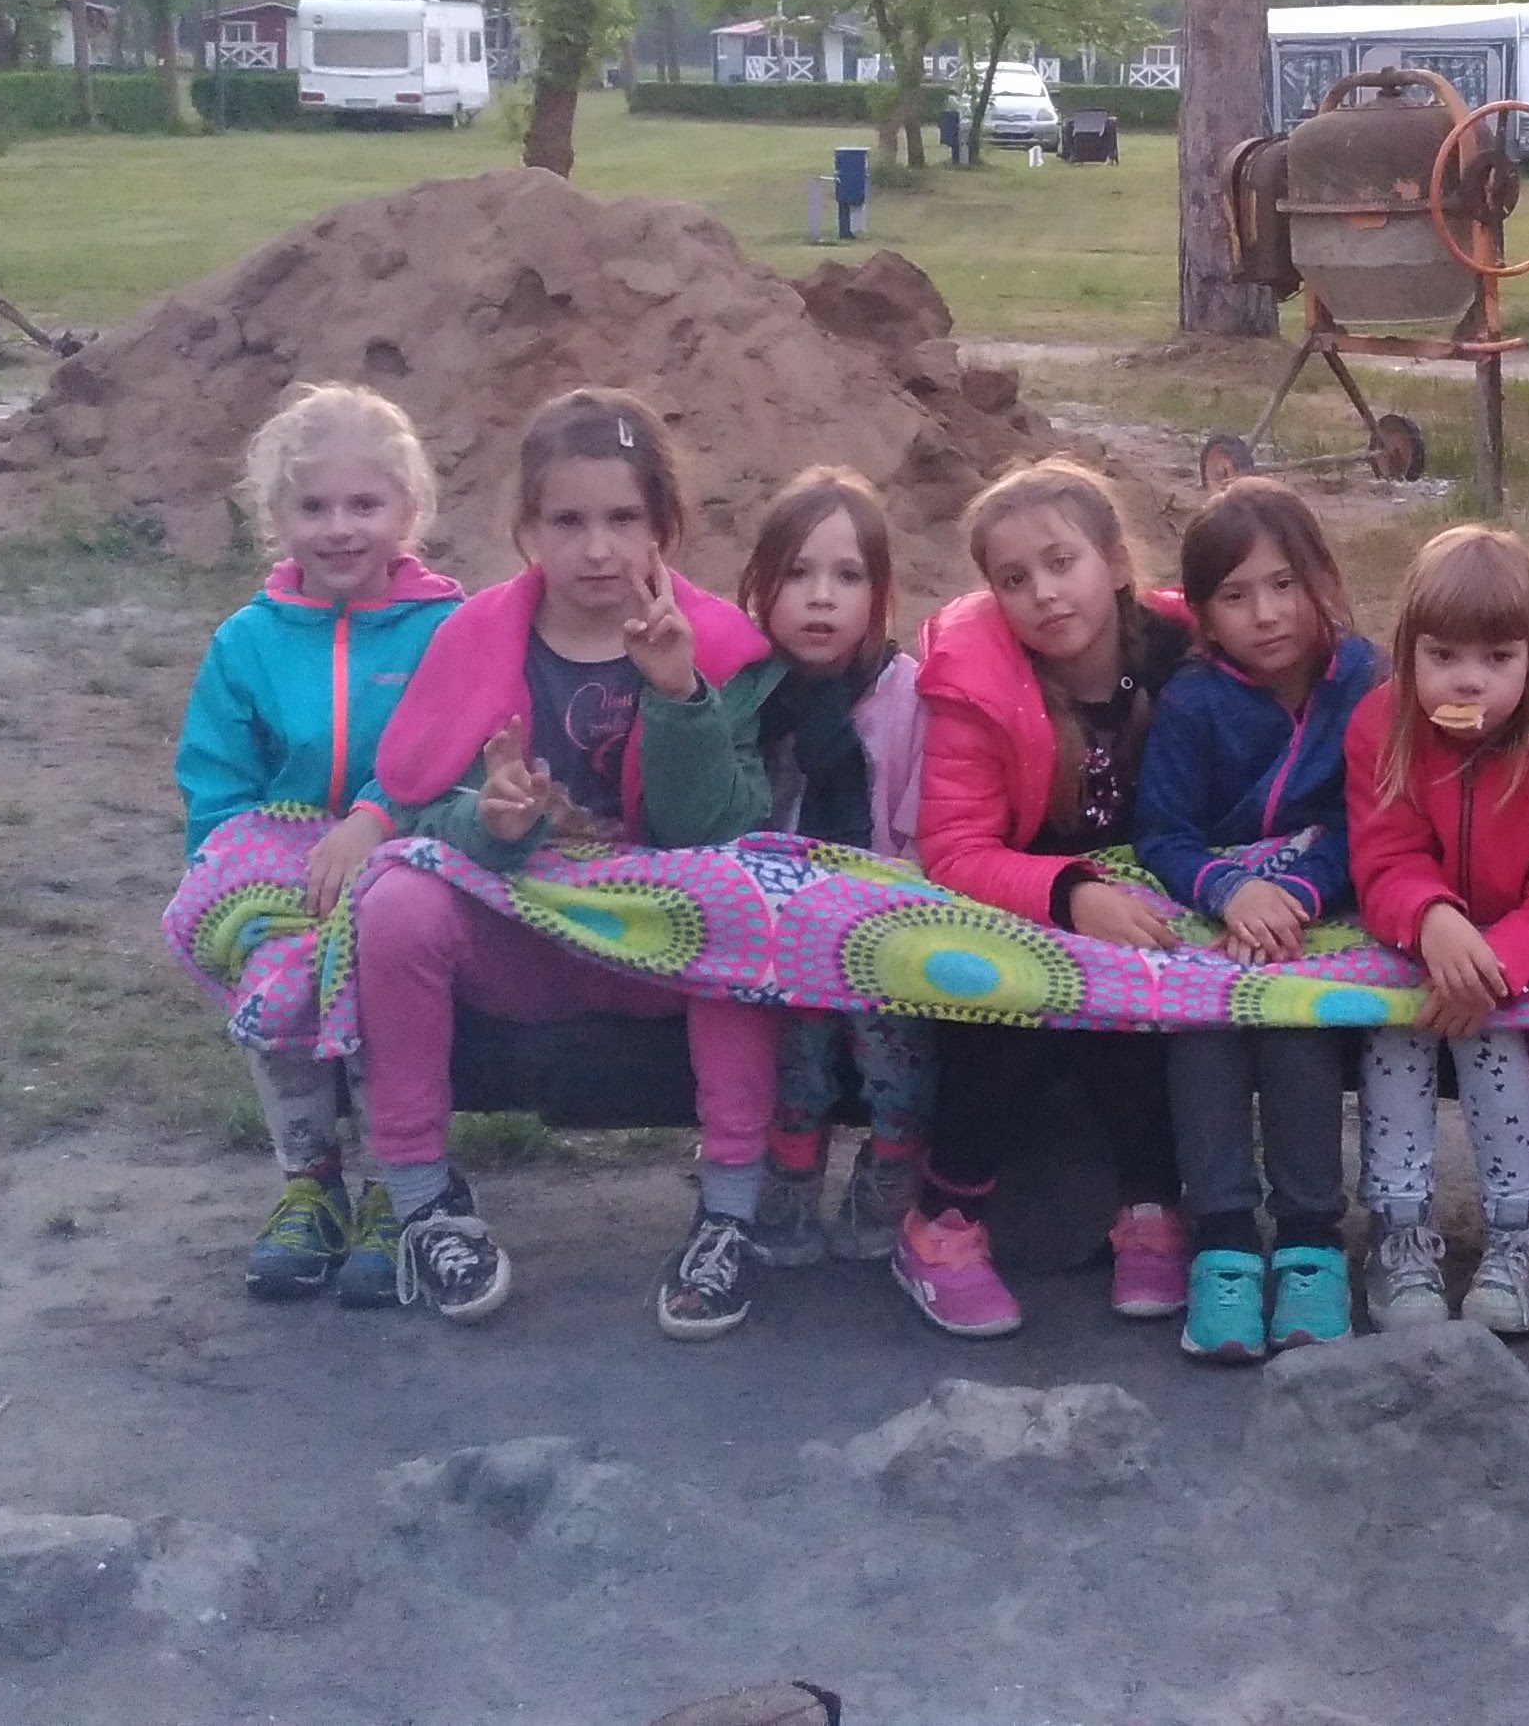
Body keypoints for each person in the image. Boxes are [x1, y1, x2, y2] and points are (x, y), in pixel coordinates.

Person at [353, 390, 779, 1334]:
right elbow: (422, 802)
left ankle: (731, 1215)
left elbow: (717, 830)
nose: (597, 549)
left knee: (746, 904)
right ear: (528, 529)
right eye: (568, 521)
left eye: (623, 519)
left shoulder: (718, 648)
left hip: (662, 949)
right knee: (397, 906)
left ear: (664, 526)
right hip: (525, 941)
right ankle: (424, 1203)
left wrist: (679, 696)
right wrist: (491, 822)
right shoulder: (473, 640)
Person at [171, 385, 462, 1306]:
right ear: (277, 517)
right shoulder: (246, 643)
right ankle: (311, 1180)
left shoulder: (447, 630)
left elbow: (451, 750)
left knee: (378, 963)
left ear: (409, 511)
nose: (339, 529)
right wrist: (233, 875)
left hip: (410, 853)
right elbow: (218, 776)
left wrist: (375, 821)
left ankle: (394, 1185)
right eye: (314, 507)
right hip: (284, 867)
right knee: (272, 957)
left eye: (364, 504)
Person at [896, 458, 1196, 1339]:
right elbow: (955, 848)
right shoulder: (979, 683)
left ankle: (1151, 1206)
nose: (1044, 594)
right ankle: (940, 1222)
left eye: (1062, 563)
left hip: (1155, 892)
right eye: (1014, 579)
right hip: (1026, 897)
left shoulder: (1182, 656)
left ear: (1116, 561)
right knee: (1003, 1001)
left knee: (1139, 1005)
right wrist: (1068, 895)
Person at [1136, 479, 1384, 1361]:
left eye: (1284, 584)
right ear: (1203, 613)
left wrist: (1300, 894)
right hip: (1214, 907)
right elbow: (1163, 832)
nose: (1267, 614)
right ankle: (1225, 1243)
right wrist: (1229, 892)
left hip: (1323, 911)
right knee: (1202, 1025)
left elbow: (1373, 818)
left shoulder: (1366, 682)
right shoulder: (1194, 700)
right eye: (1235, 596)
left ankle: (1313, 1242)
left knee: (1296, 1023)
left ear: (1321, 578)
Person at [1346, 524, 1529, 1339]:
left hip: (1519, 953)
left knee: (1493, 1036)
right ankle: (1398, 1230)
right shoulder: (1380, 725)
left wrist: (1492, 967)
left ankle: (1516, 1233)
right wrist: (1431, 918)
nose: (1470, 680)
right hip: (1415, 938)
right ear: (1408, 651)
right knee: (1397, 1026)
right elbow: (1383, 853)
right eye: (1443, 656)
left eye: (1498, 658)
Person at [698, 465, 937, 1270]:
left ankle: (891, 1163)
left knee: (895, 1045)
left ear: (880, 594)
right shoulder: (747, 694)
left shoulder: (906, 693)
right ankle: (791, 1169)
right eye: (797, 574)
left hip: (884, 923)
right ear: (760, 587)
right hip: (777, 929)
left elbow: (920, 826)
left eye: (848, 576)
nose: (822, 598)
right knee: (792, 1046)